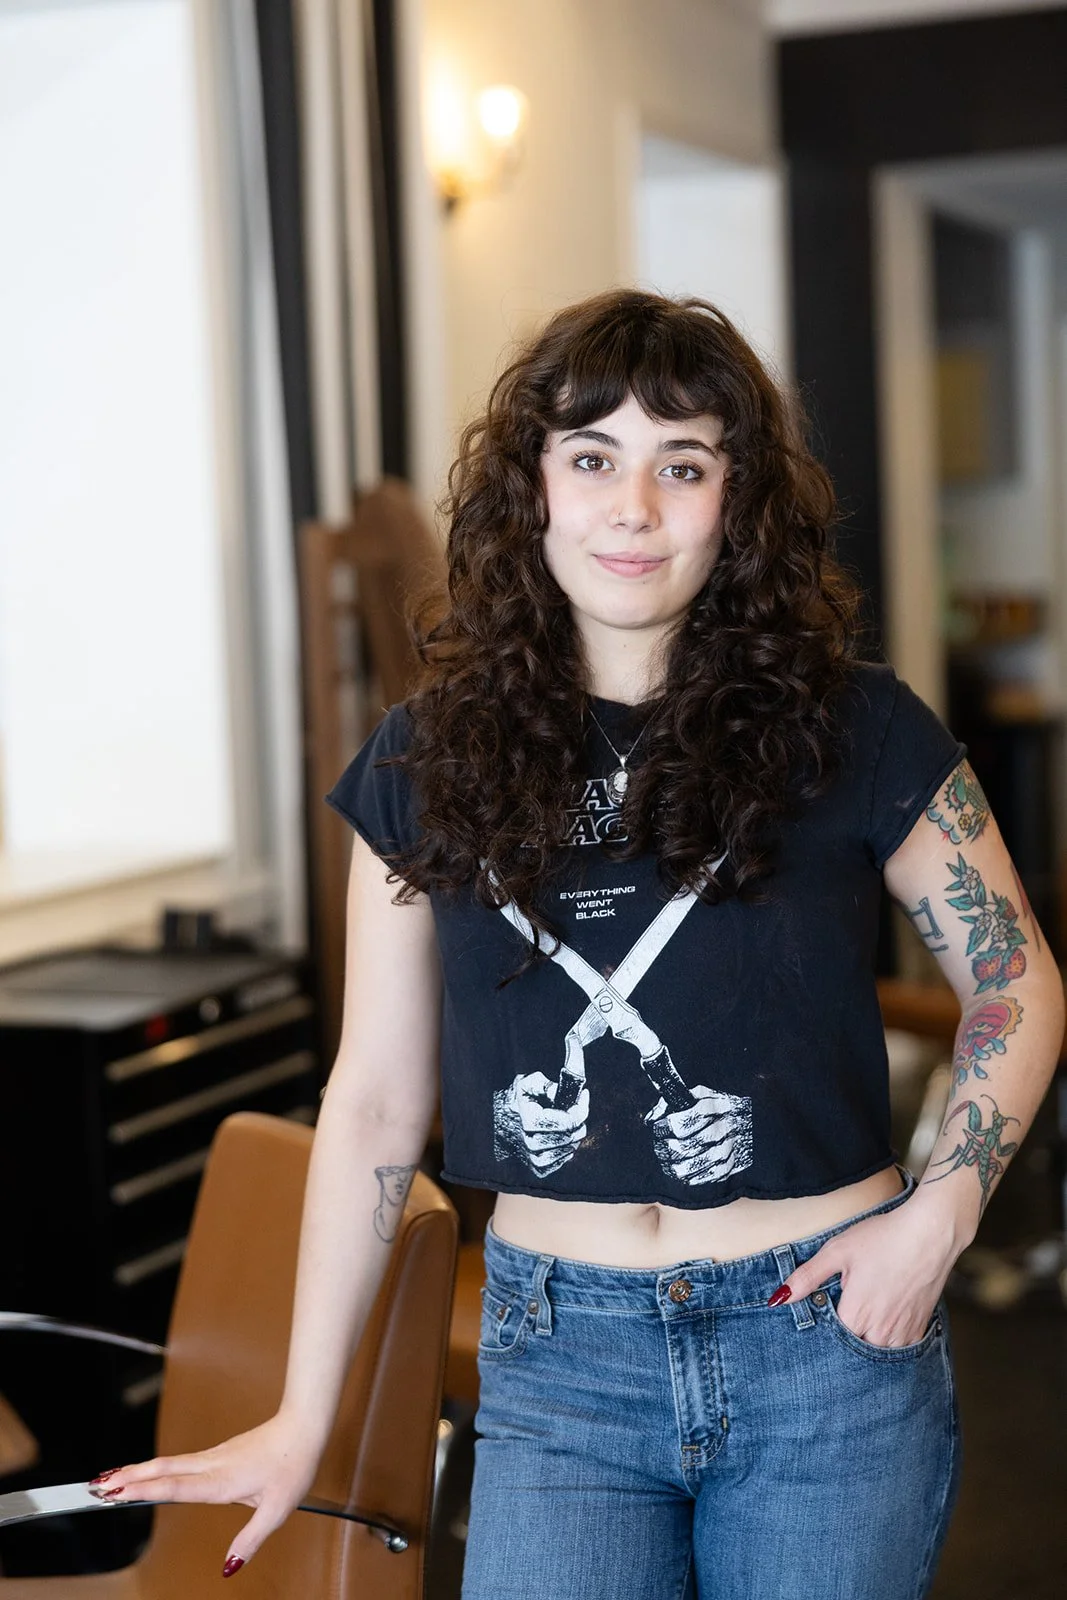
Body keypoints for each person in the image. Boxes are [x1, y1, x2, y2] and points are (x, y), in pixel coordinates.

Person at [93, 291, 1064, 1598]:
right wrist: (302, 1411)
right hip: (559, 1357)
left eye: (684, 465)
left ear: (737, 501)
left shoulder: (859, 730)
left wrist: (941, 1217)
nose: (634, 508)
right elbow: (374, 1101)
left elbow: (1013, 981)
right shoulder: (426, 761)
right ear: (533, 490)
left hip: (822, 1344)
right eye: (593, 459)